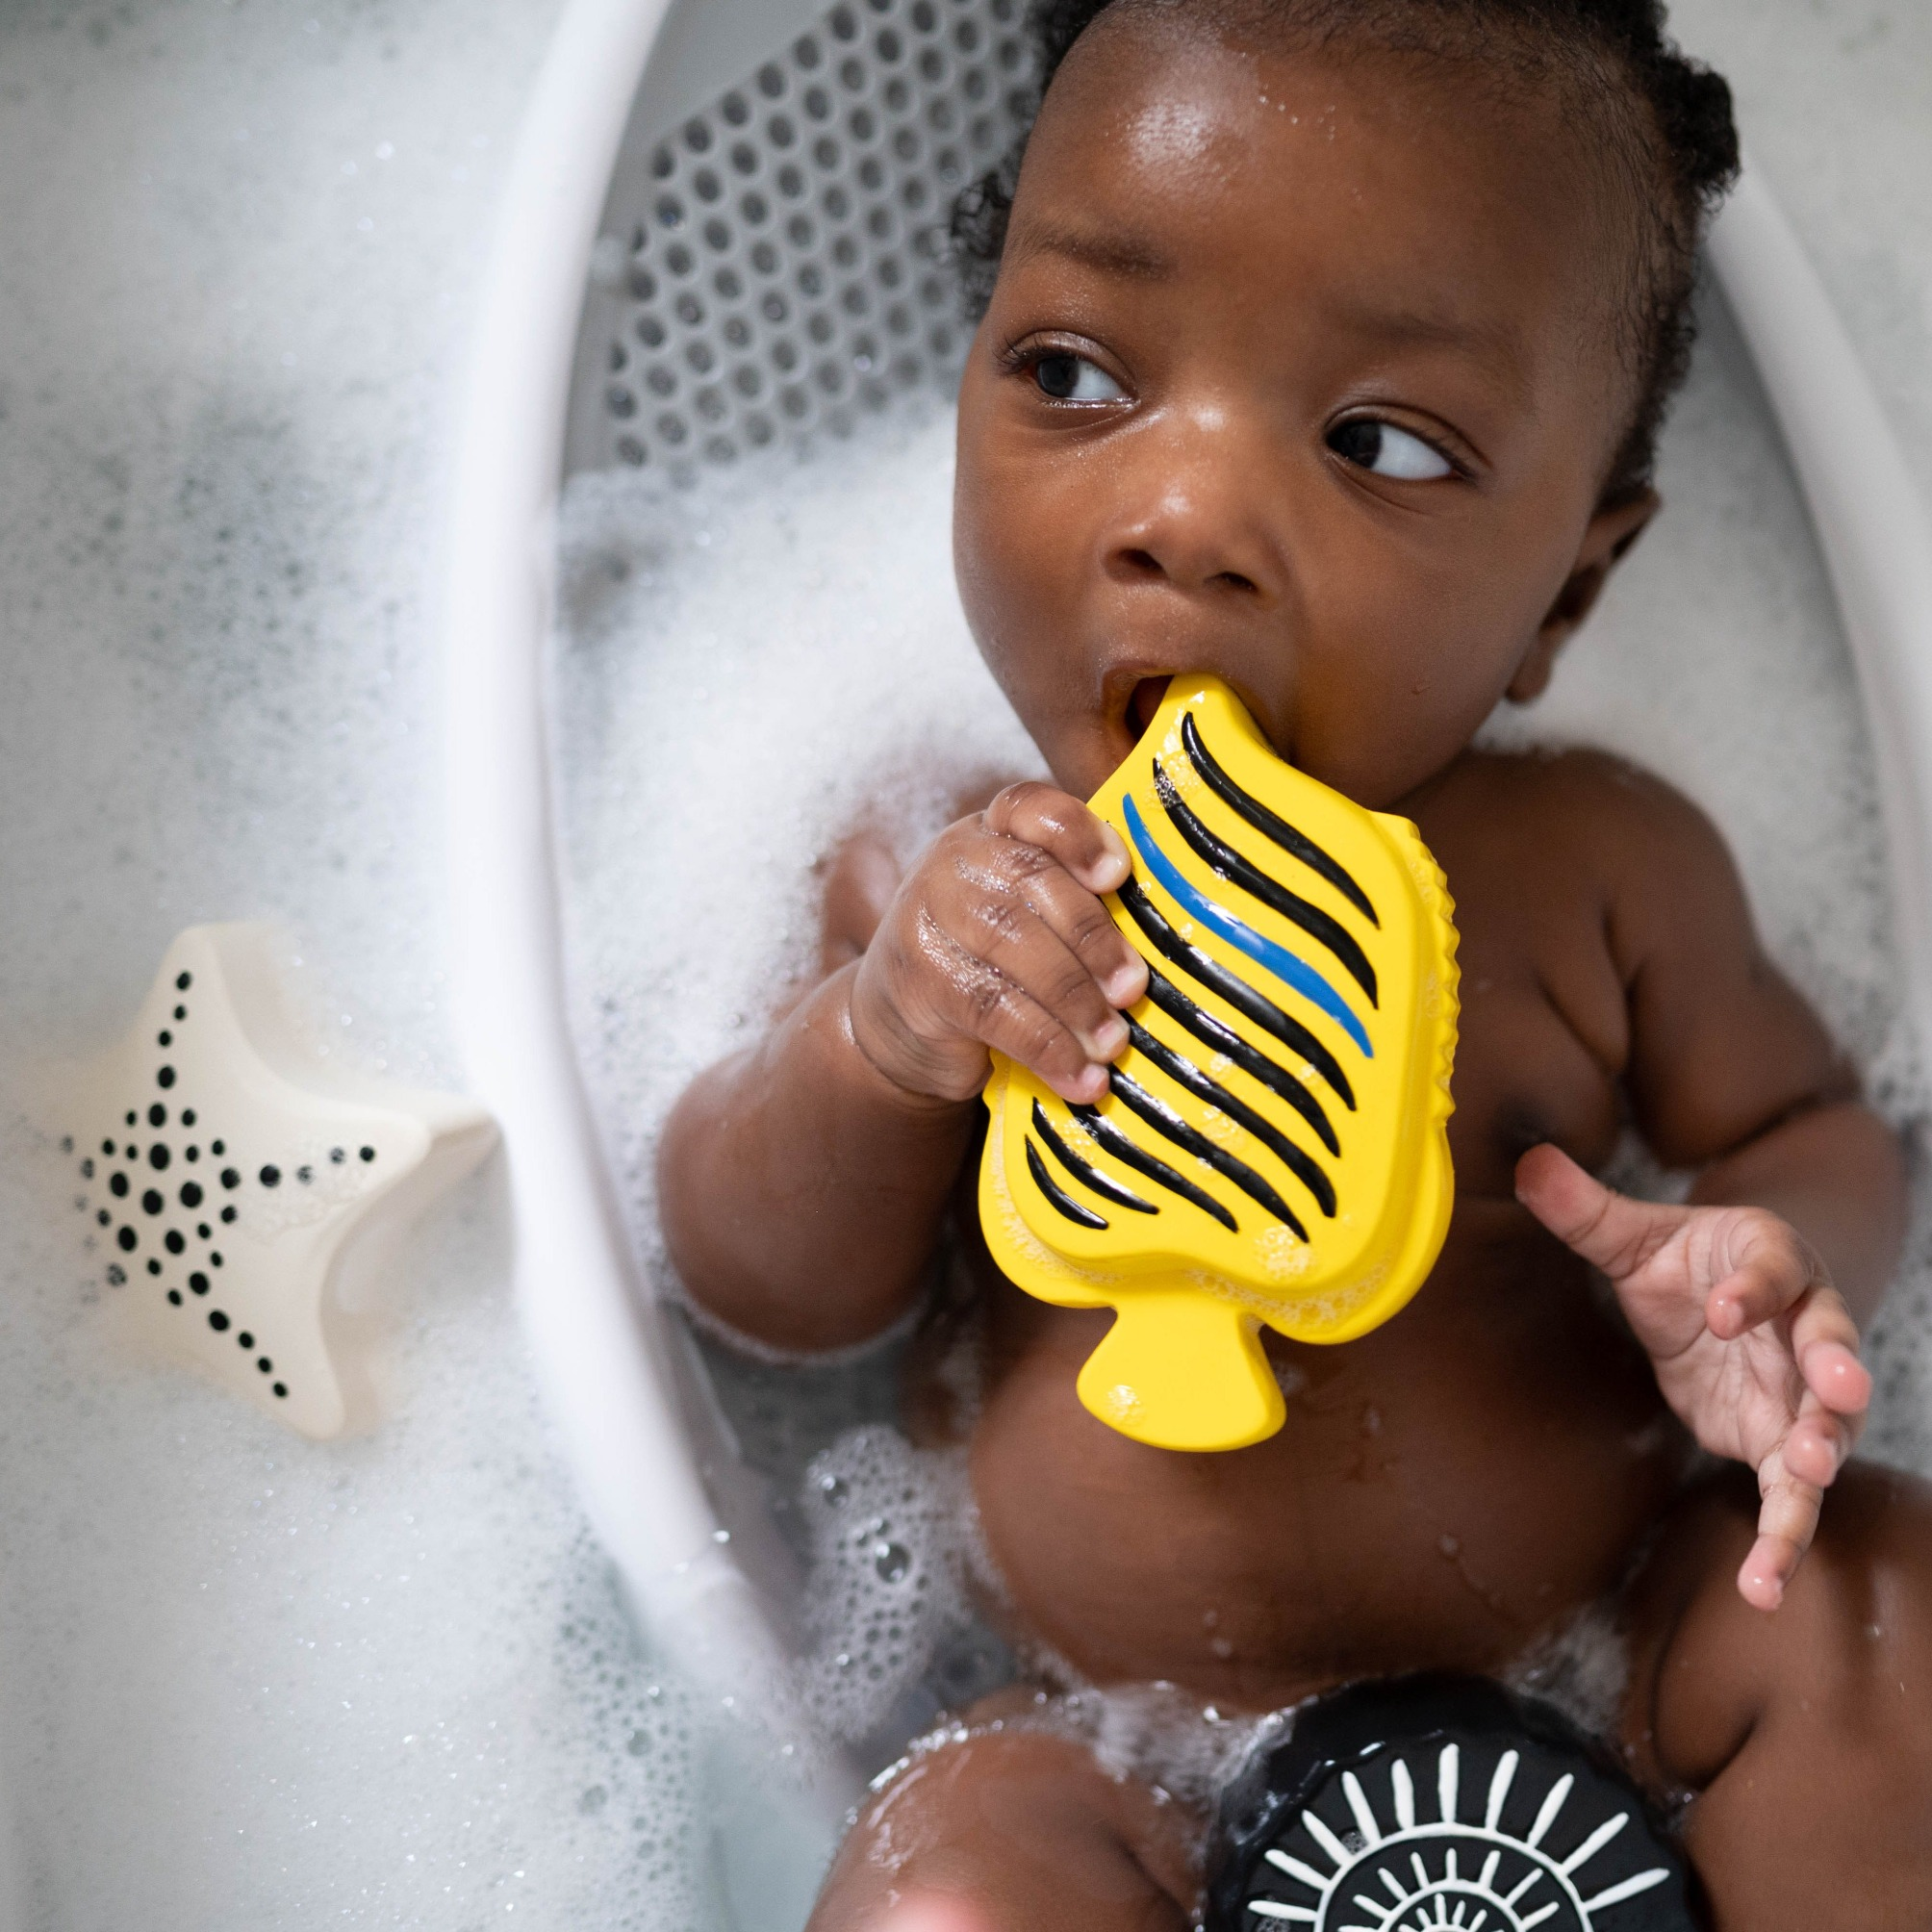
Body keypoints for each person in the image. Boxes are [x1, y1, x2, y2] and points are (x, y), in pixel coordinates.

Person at [658, 0, 1932, 1920]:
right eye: (1075, 372)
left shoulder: (1599, 870)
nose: (1188, 523)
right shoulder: (944, 869)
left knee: (1878, 1604)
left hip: (1614, 1661)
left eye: (1380, 442)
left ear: (1568, 588)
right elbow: (761, 1283)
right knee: (955, 1893)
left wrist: (1763, 1267)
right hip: (1095, 1744)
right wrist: (880, 1044)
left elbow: (1808, 1124)